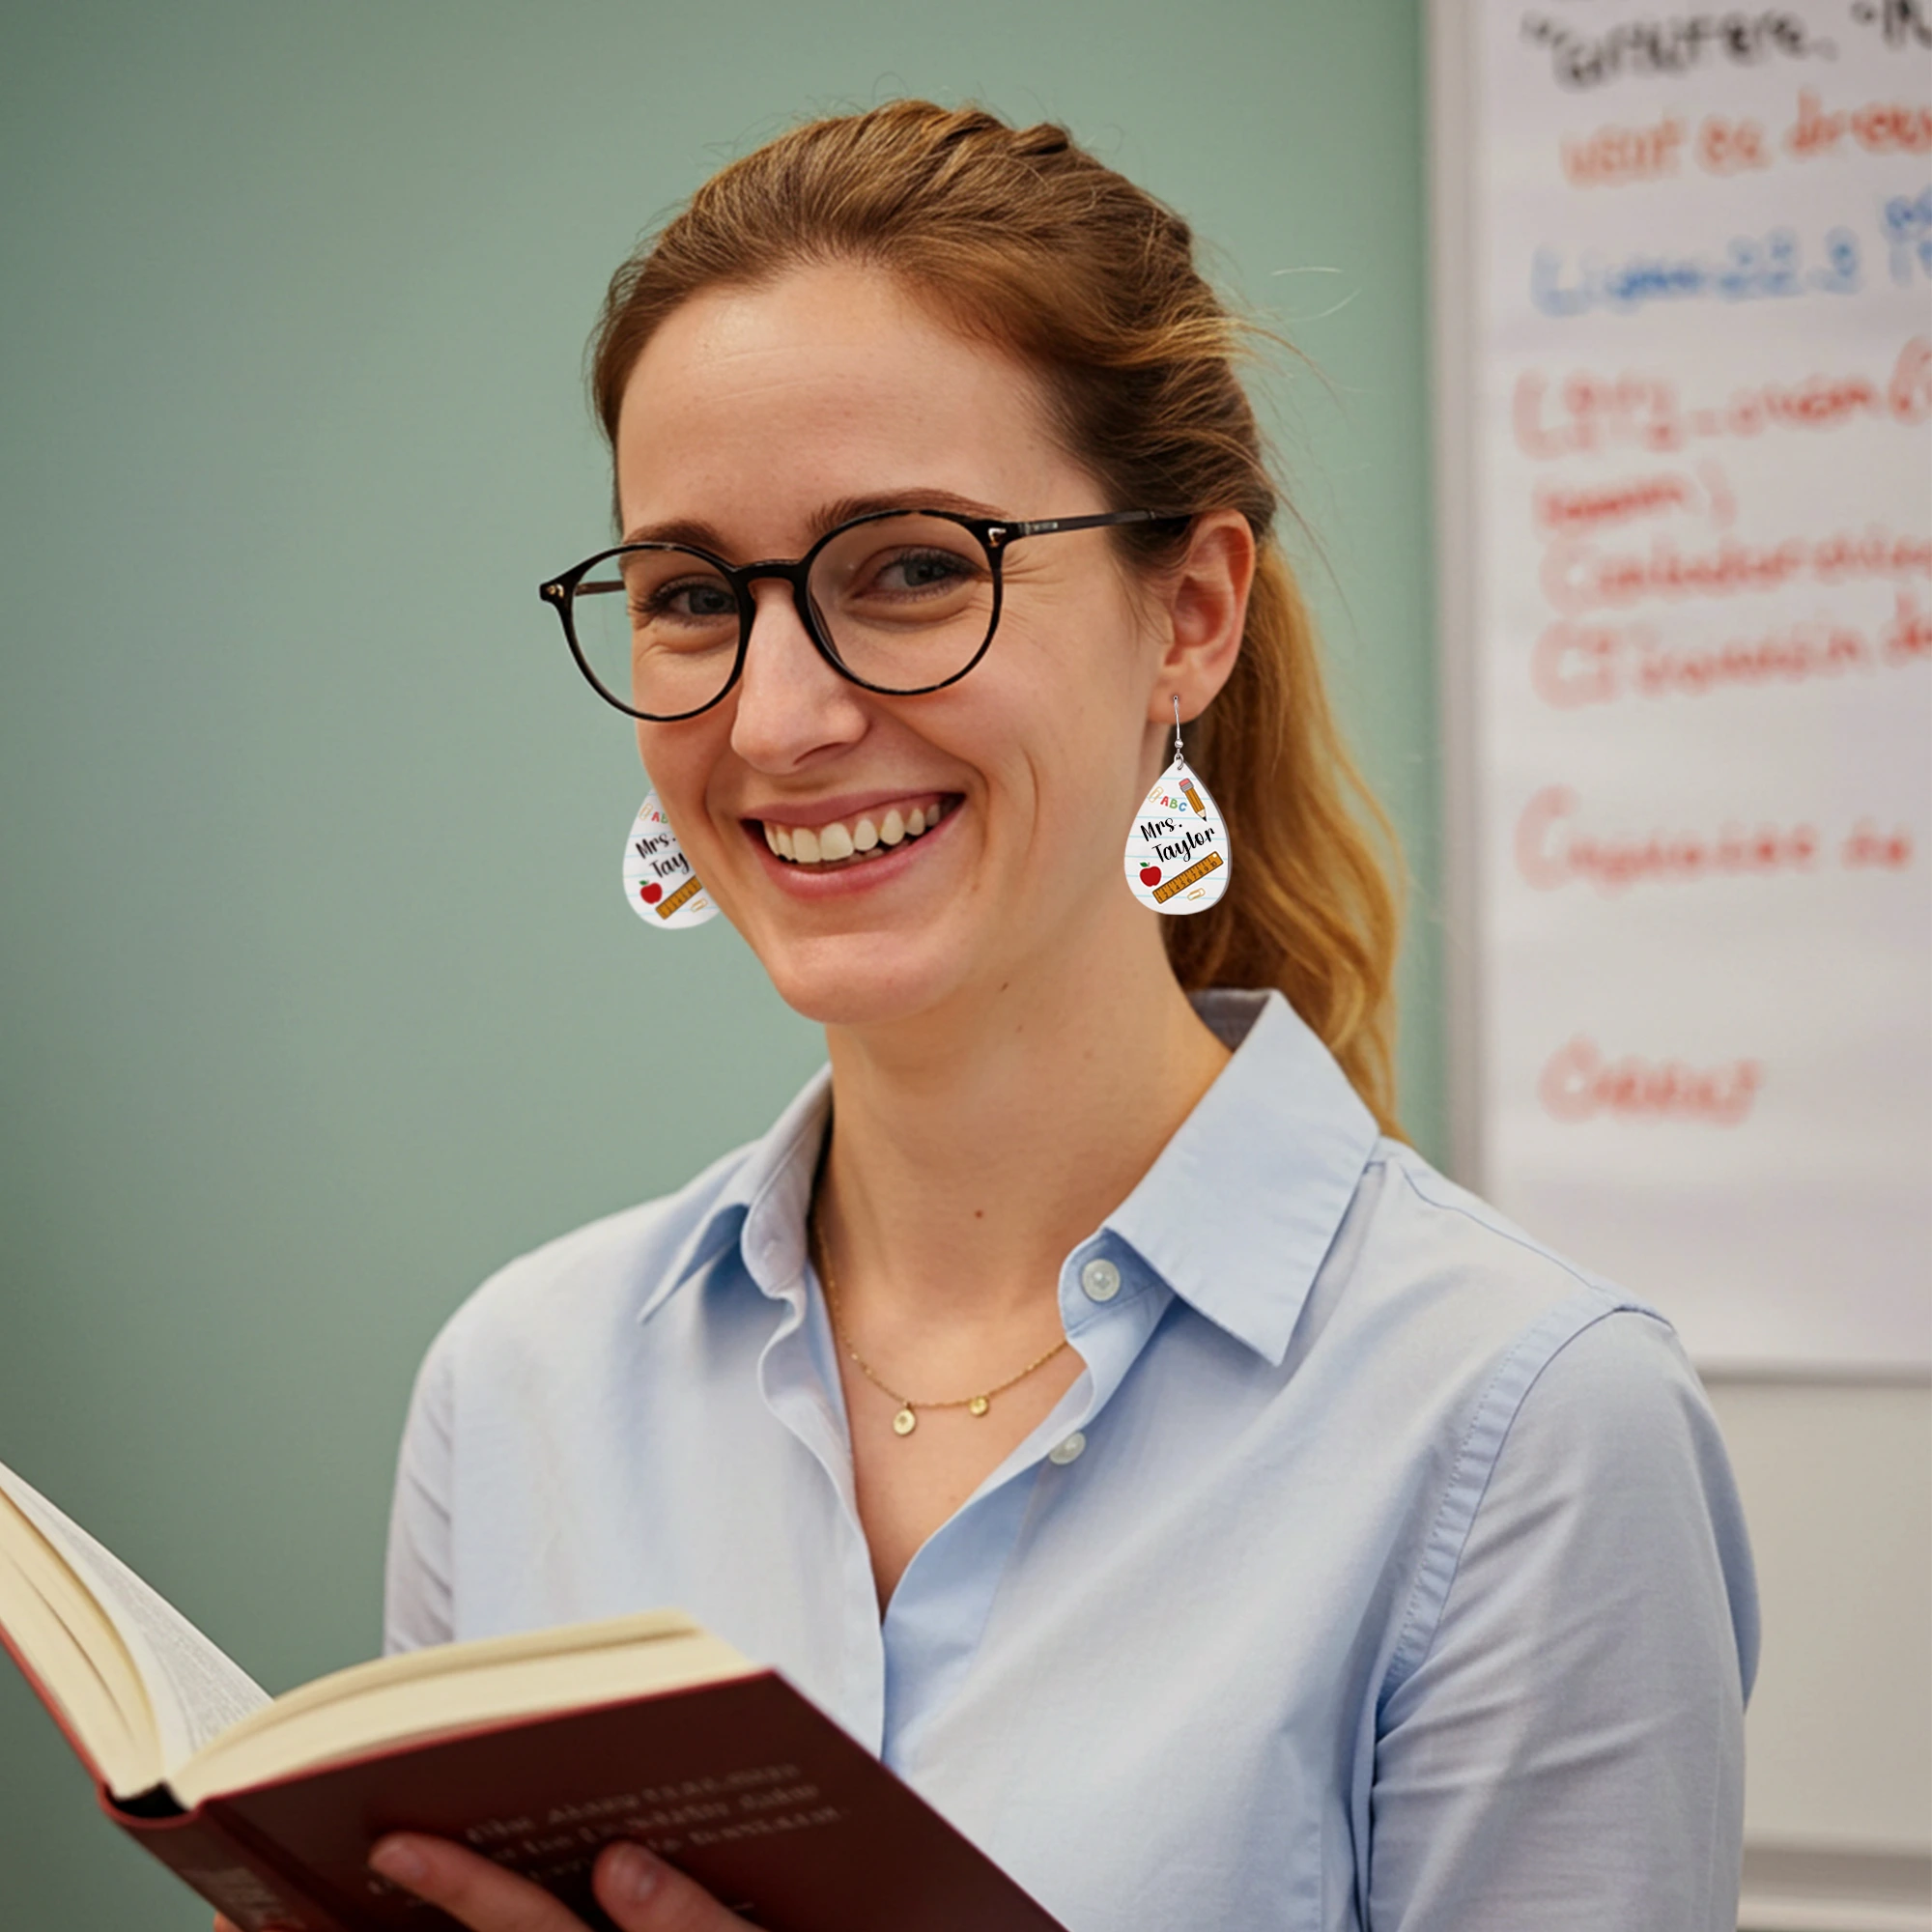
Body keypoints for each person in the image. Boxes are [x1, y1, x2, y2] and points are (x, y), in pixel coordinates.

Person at [283, 101, 1757, 1932]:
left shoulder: (1528, 1429)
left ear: (1191, 617)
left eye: (908, 567)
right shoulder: (518, 1391)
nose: (777, 722)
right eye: (687, 597)